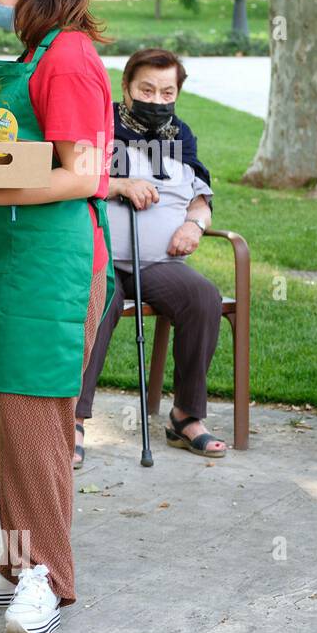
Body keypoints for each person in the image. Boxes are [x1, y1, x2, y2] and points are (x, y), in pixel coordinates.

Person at [0, 0, 115, 633]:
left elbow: (85, 173)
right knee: (15, 418)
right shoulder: (42, 49)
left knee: (40, 421)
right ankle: (20, 561)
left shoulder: (69, 58)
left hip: (54, 266)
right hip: (19, 262)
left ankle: (48, 575)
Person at [76, 49, 225, 464]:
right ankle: (73, 418)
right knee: (100, 301)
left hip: (159, 261)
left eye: (167, 92)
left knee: (202, 297)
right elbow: (73, 176)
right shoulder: (99, 121)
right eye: (146, 89)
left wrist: (193, 225)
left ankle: (185, 417)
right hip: (101, 256)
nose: (157, 100)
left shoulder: (181, 136)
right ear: (125, 87)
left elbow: (200, 194)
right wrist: (120, 185)